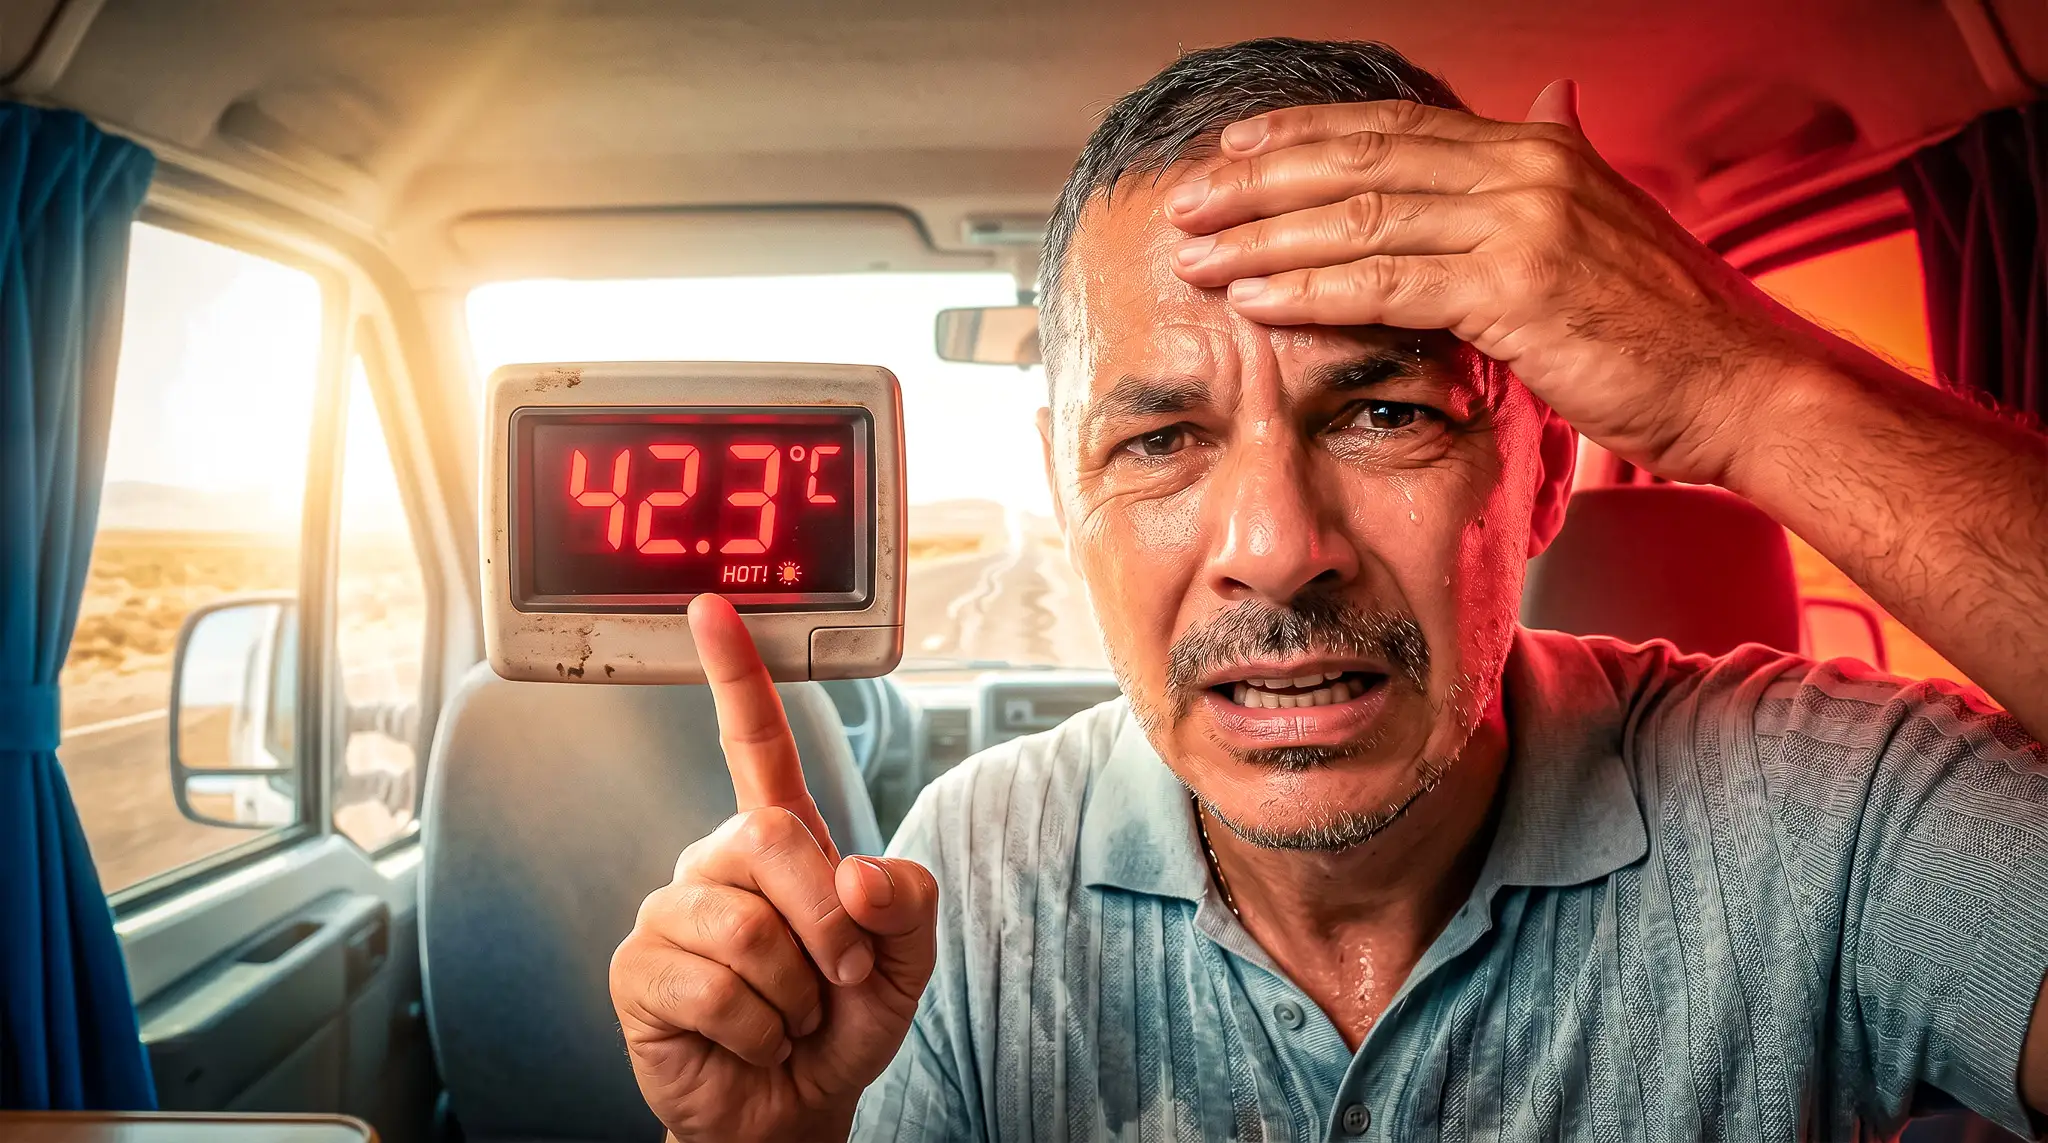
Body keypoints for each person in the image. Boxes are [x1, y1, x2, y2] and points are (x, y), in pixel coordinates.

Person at [608, 38, 2048, 1141]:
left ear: (1543, 476)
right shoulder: (967, 871)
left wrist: (1745, 385)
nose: (1276, 545)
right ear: (1072, 501)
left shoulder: (1828, 815)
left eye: (1383, 413)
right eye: (1162, 438)